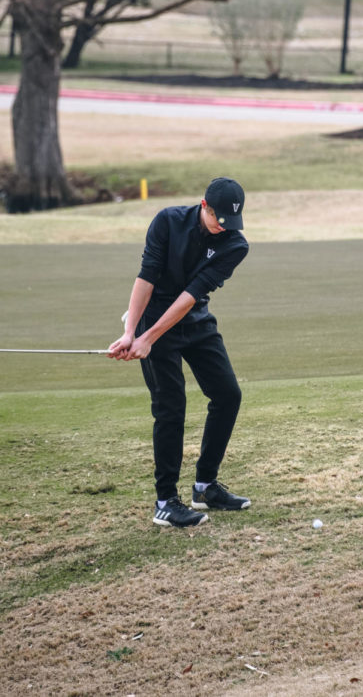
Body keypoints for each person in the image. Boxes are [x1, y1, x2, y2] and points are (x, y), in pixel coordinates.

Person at [108, 177, 251, 528]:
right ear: (205, 206)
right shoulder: (167, 221)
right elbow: (146, 278)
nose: (224, 229)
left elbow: (191, 295)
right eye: (219, 220)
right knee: (171, 406)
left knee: (227, 395)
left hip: (194, 318)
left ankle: (204, 486)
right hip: (154, 317)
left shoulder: (235, 245)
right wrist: (133, 333)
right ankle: (165, 502)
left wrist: (148, 338)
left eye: (231, 223)